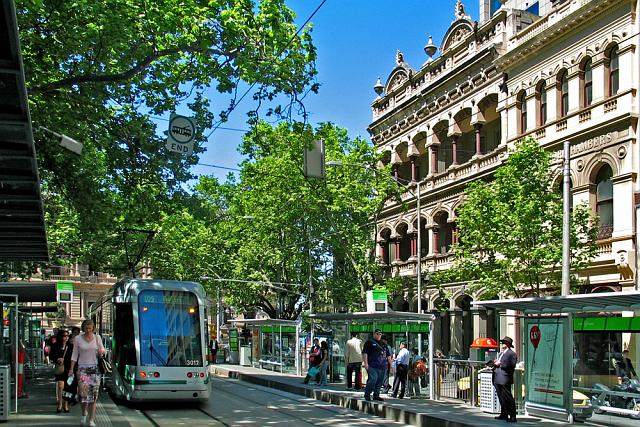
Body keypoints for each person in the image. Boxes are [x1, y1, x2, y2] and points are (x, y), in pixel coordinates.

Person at [68, 319, 105, 427]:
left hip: (94, 369)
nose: (88, 330)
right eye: (86, 328)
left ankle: (91, 420)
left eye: (90, 328)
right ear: (83, 328)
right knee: (84, 396)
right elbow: (74, 354)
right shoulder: (78, 339)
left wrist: (101, 352)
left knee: (93, 396)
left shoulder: (97, 338)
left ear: (93, 328)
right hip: (83, 369)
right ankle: (84, 414)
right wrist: (71, 368)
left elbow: (102, 350)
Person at [492, 336, 517, 423]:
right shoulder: (501, 353)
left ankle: (513, 415)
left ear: (507, 344)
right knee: (501, 397)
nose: (502, 344)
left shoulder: (511, 354)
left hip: (505, 379)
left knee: (508, 397)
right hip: (498, 378)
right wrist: (494, 365)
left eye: (504, 342)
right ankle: (504, 413)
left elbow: (511, 365)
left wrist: (500, 364)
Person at [362, 329, 392, 402]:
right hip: (373, 366)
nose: (379, 335)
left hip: (383, 366)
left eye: (380, 334)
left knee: (380, 382)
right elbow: (365, 353)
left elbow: (388, 356)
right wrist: (366, 363)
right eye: (377, 334)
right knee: (373, 380)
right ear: (374, 334)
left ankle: (376, 395)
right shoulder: (369, 342)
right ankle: (367, 394)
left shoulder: (383, 344)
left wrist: (391, 366)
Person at [50, 329, 73, 413]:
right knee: (60, 386)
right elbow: (51, 356)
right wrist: (57, 359)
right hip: (59, 368)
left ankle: (65, 405)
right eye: (64, 336)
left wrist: (65, 360)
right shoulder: (55, 345)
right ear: (60, 336)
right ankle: (59, 404)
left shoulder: (70, 346)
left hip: (68, 368)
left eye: (67, 336)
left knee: (67, 387)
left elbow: (73, 358)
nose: (66, 338)